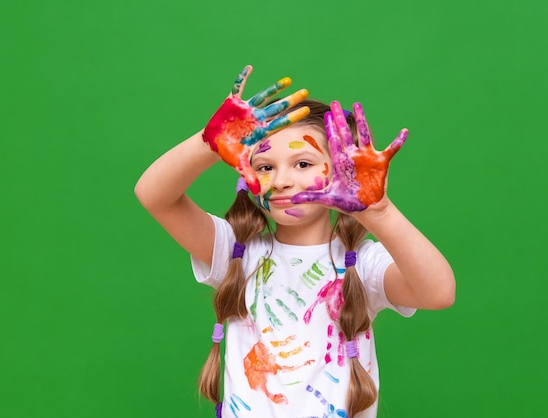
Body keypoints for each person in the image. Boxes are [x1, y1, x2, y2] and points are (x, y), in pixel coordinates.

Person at [134, 65, 455, 418]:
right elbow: (154, 195)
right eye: (266, 166)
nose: (282, 180)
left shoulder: (361, 264)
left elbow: (438, 293)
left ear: (341, 170)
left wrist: (379, 211)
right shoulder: (236, 253)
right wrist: (209, 144)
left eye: (303, 163)